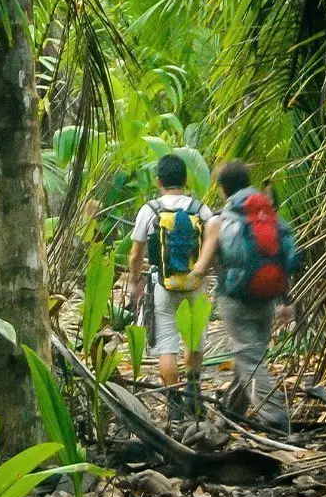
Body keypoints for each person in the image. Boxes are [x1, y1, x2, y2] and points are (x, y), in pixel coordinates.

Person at [194, 160, 298, 431]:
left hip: (236, 297)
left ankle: (275, 417)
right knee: (251, 354)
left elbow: (206, 264)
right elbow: (283, 256)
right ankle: (231, 412)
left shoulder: (220, 220)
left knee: (249, 358)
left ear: (222, 189)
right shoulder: (270, 215)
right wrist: (286, 301)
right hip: (268, 295)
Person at [126, 155, 213, 413]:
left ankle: (173, 403)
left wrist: (135, 281)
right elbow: (211, 245)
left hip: (162, 285)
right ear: (185, 180)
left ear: (158, 181)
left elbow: (135, 254)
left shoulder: (150, 210)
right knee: (193, 338)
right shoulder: (200, 209)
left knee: (167, 344)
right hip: (195, 284)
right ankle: (194, 394)